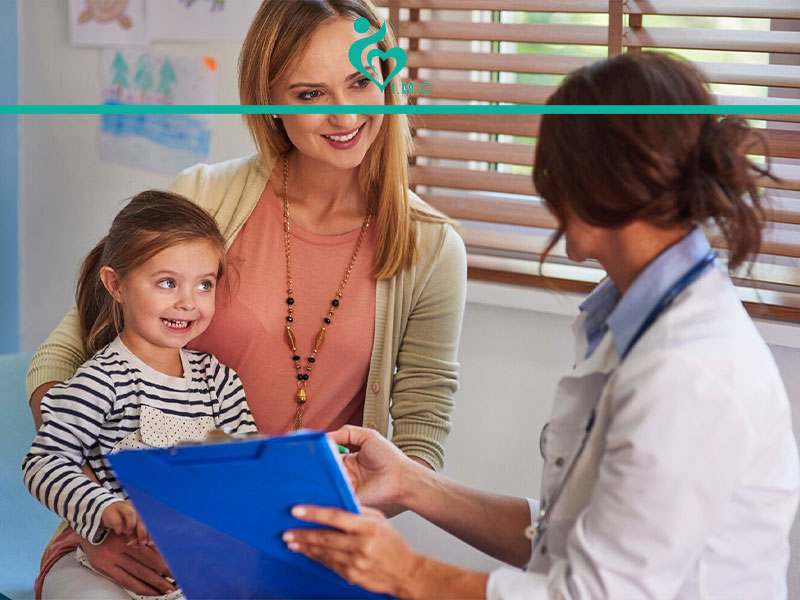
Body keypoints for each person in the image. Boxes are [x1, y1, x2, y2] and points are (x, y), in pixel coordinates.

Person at [281, 52, 800, 599]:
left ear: (602, 181)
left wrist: (408, 573)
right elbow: (562, 536)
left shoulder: (689, 373)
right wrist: (410, 483)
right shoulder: (640, 324)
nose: (547, 194)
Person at [26, 0, 466, 597]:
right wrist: (99, 522)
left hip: (298, 546)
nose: (345, 114)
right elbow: (62, 357)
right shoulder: (206, 196)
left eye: (361, 82)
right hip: (133, 543)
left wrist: (293, 528)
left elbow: (417, 443)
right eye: (310, 94)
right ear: (270, 101)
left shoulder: (432, 248)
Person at [23, 191, 258, 600]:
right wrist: (101, 508)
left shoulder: (221, 382)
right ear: (116, 284)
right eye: (167, 283)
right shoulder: (101, 380)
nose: (188, 303)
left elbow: (251, 471)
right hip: (116, 574)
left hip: (200, 572)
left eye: (204, 285)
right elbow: (44, 462)